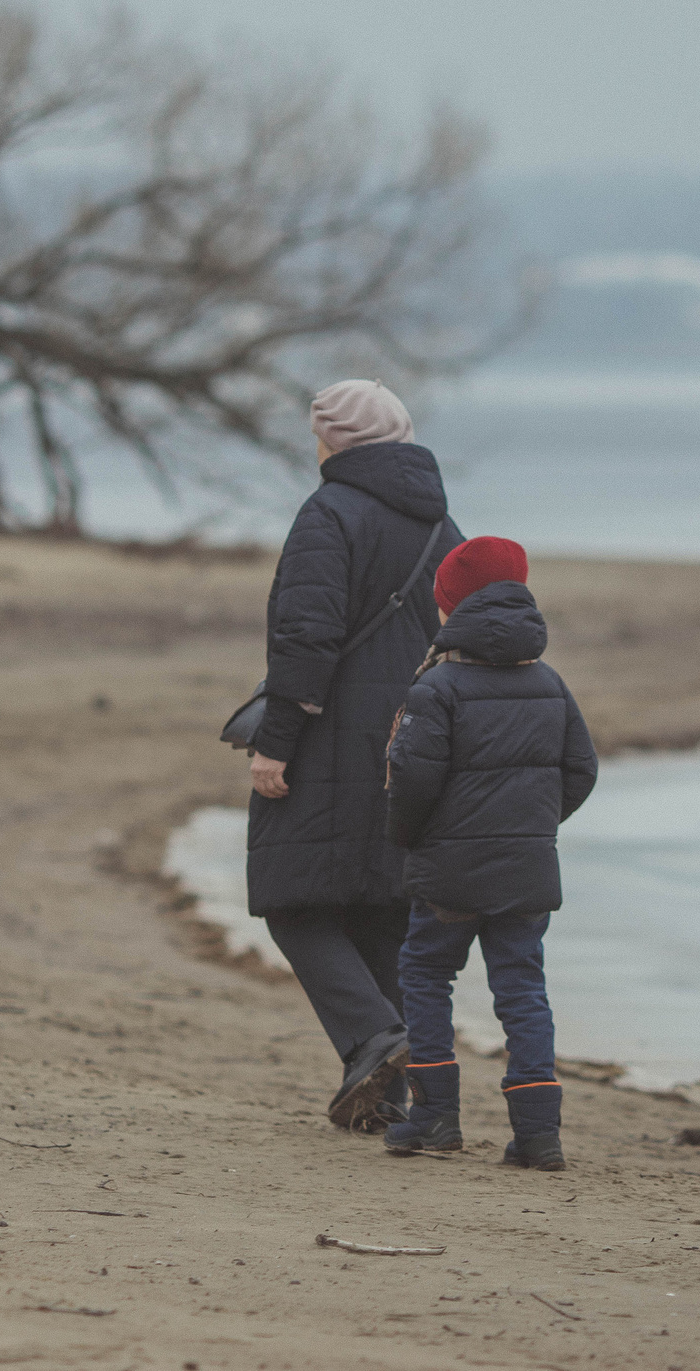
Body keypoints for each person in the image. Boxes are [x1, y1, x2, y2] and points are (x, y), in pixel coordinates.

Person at [246, 379, 463, 1129]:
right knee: (380, 909)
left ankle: (375, 1038)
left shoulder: (330, 512)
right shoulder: (442, 522)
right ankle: (386, 1097)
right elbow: (460, 632)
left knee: (290, 898)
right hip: (419, 733)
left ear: (331, 440)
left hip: (333, 734)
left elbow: (306, 636)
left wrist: (275, 743)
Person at [378, 536, 597, 1170]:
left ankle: (434, 1117)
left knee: (425, 974)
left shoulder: (437, 686)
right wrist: (530, 826)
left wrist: (409, 838)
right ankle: (538, 1134)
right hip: (526, 867)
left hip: (449, 868)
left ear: (452, 606)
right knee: (522, 988)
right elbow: (581, 771)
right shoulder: (550, 683)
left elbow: (411, 780)